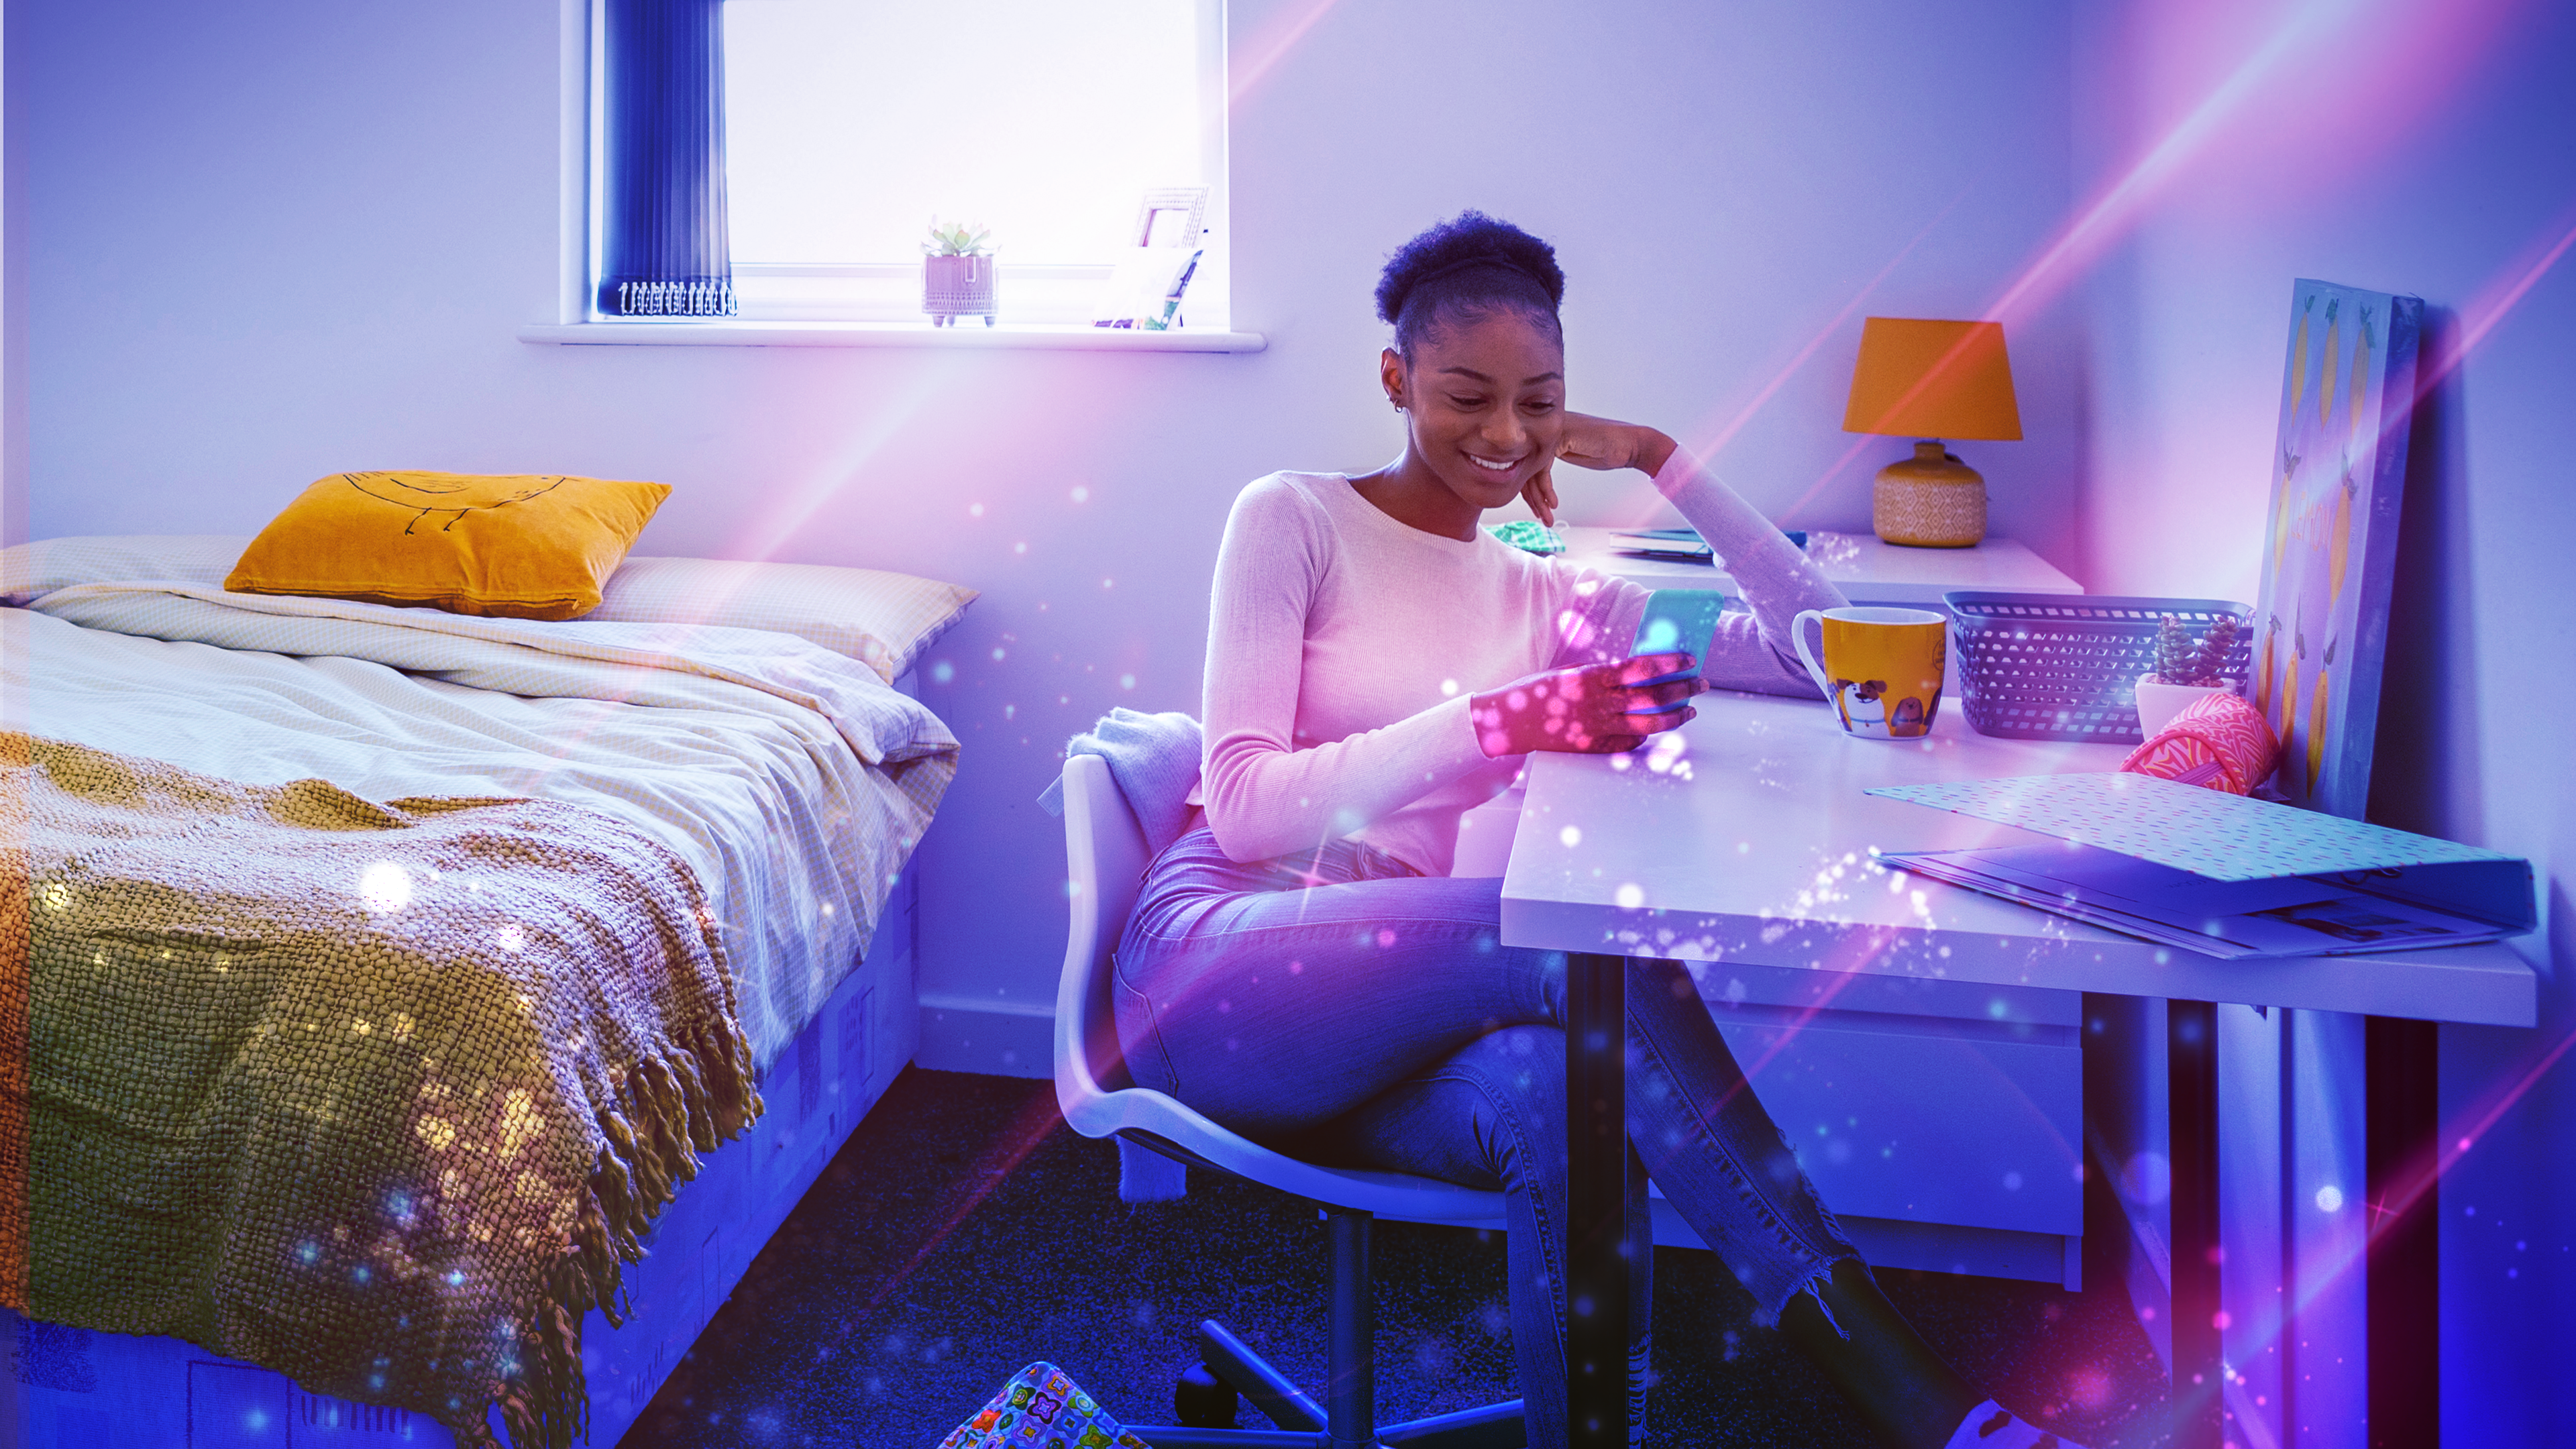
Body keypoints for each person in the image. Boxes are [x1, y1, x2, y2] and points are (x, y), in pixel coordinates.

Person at [1113, 212, 2085, 1449]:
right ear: (1395, 380)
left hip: (1388, 1012)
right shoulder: (1293, 516)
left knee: (1571, 1083)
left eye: (1539, 403)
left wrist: (1672, 462)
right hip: (1220, 965)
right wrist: (1504, 722)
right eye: (1466, 396)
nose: (1505, 435)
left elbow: (1835, 663)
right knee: (1584, 955)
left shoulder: (1545, 591)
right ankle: (1895, 1385)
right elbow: (1246, 796)